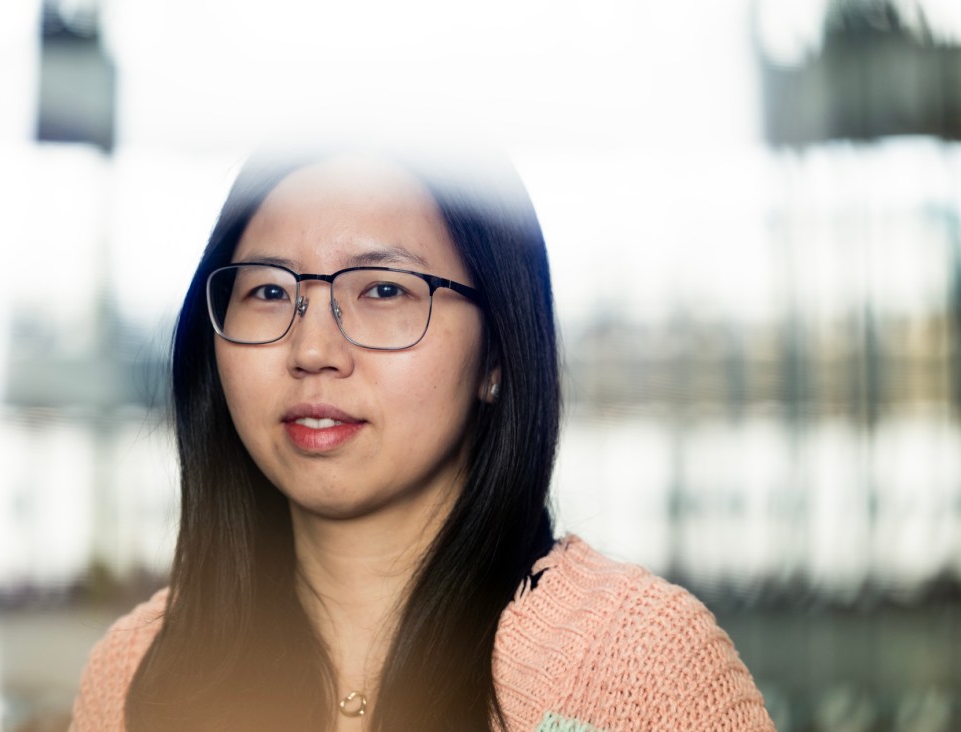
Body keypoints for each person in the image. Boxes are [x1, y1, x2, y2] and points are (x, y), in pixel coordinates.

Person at [69, 140, 775, 732]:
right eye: (271, 291)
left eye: (382, 291)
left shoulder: (638, 665)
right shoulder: (133, 674)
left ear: (496, 357)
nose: (313, 349)